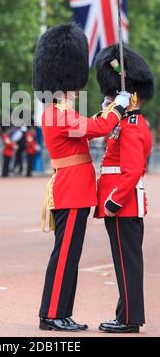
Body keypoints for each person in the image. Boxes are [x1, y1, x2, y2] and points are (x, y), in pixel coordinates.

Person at [32, 23, 130, 332]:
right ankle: (51, 314)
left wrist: (106, 110)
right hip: (71, 191)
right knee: (65, 256)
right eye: (74, 87)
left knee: (70, 256)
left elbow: (89, 126)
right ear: (64, 85)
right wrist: (117, 108)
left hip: (74, 190)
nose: (77, 91)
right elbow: (96, 129)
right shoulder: (59, 114)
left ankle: (61, 311)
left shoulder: (59, 113)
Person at [94, 44, 154, 334]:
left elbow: (131, 172)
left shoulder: (131, 125)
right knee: (125, 263)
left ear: (128, 97)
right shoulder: (126, 122)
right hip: (123, 204)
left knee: (127, 264)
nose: (108, 101)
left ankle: (129, 319)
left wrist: (113, 202)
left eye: (113, 96)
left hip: (123, 205)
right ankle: (126, 314)